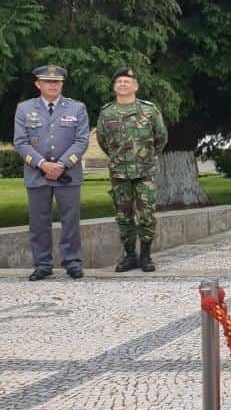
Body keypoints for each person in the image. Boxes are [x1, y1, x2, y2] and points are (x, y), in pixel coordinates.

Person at [13, 65, 89, 281]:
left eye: (57, 82)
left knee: (71, 221)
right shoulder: (24, 109)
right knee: (38, 222)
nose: (53, 85)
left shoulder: (77, 108)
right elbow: (20, 142)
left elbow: (82, 141)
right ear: (38, 84)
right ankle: (42, 264)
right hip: (37, 174)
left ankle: (73, 262)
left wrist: (62, 164)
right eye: (48, 81)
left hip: (68, 174)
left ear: (62, 84)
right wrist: (42, 164)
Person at [96, 67, 168, 273]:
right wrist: (119, 157)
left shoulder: (149, 110)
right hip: (119, 172)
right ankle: (130, 256)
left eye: (127, 81)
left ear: (135, 86)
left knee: (147, 214)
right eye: (119, 82)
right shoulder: (106, 112)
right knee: (123, 215)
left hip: (144, 171)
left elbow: (161, 137)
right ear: (114, 87)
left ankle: (146, 256)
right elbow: (102, 140)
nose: (123, 84)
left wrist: (147, 156)